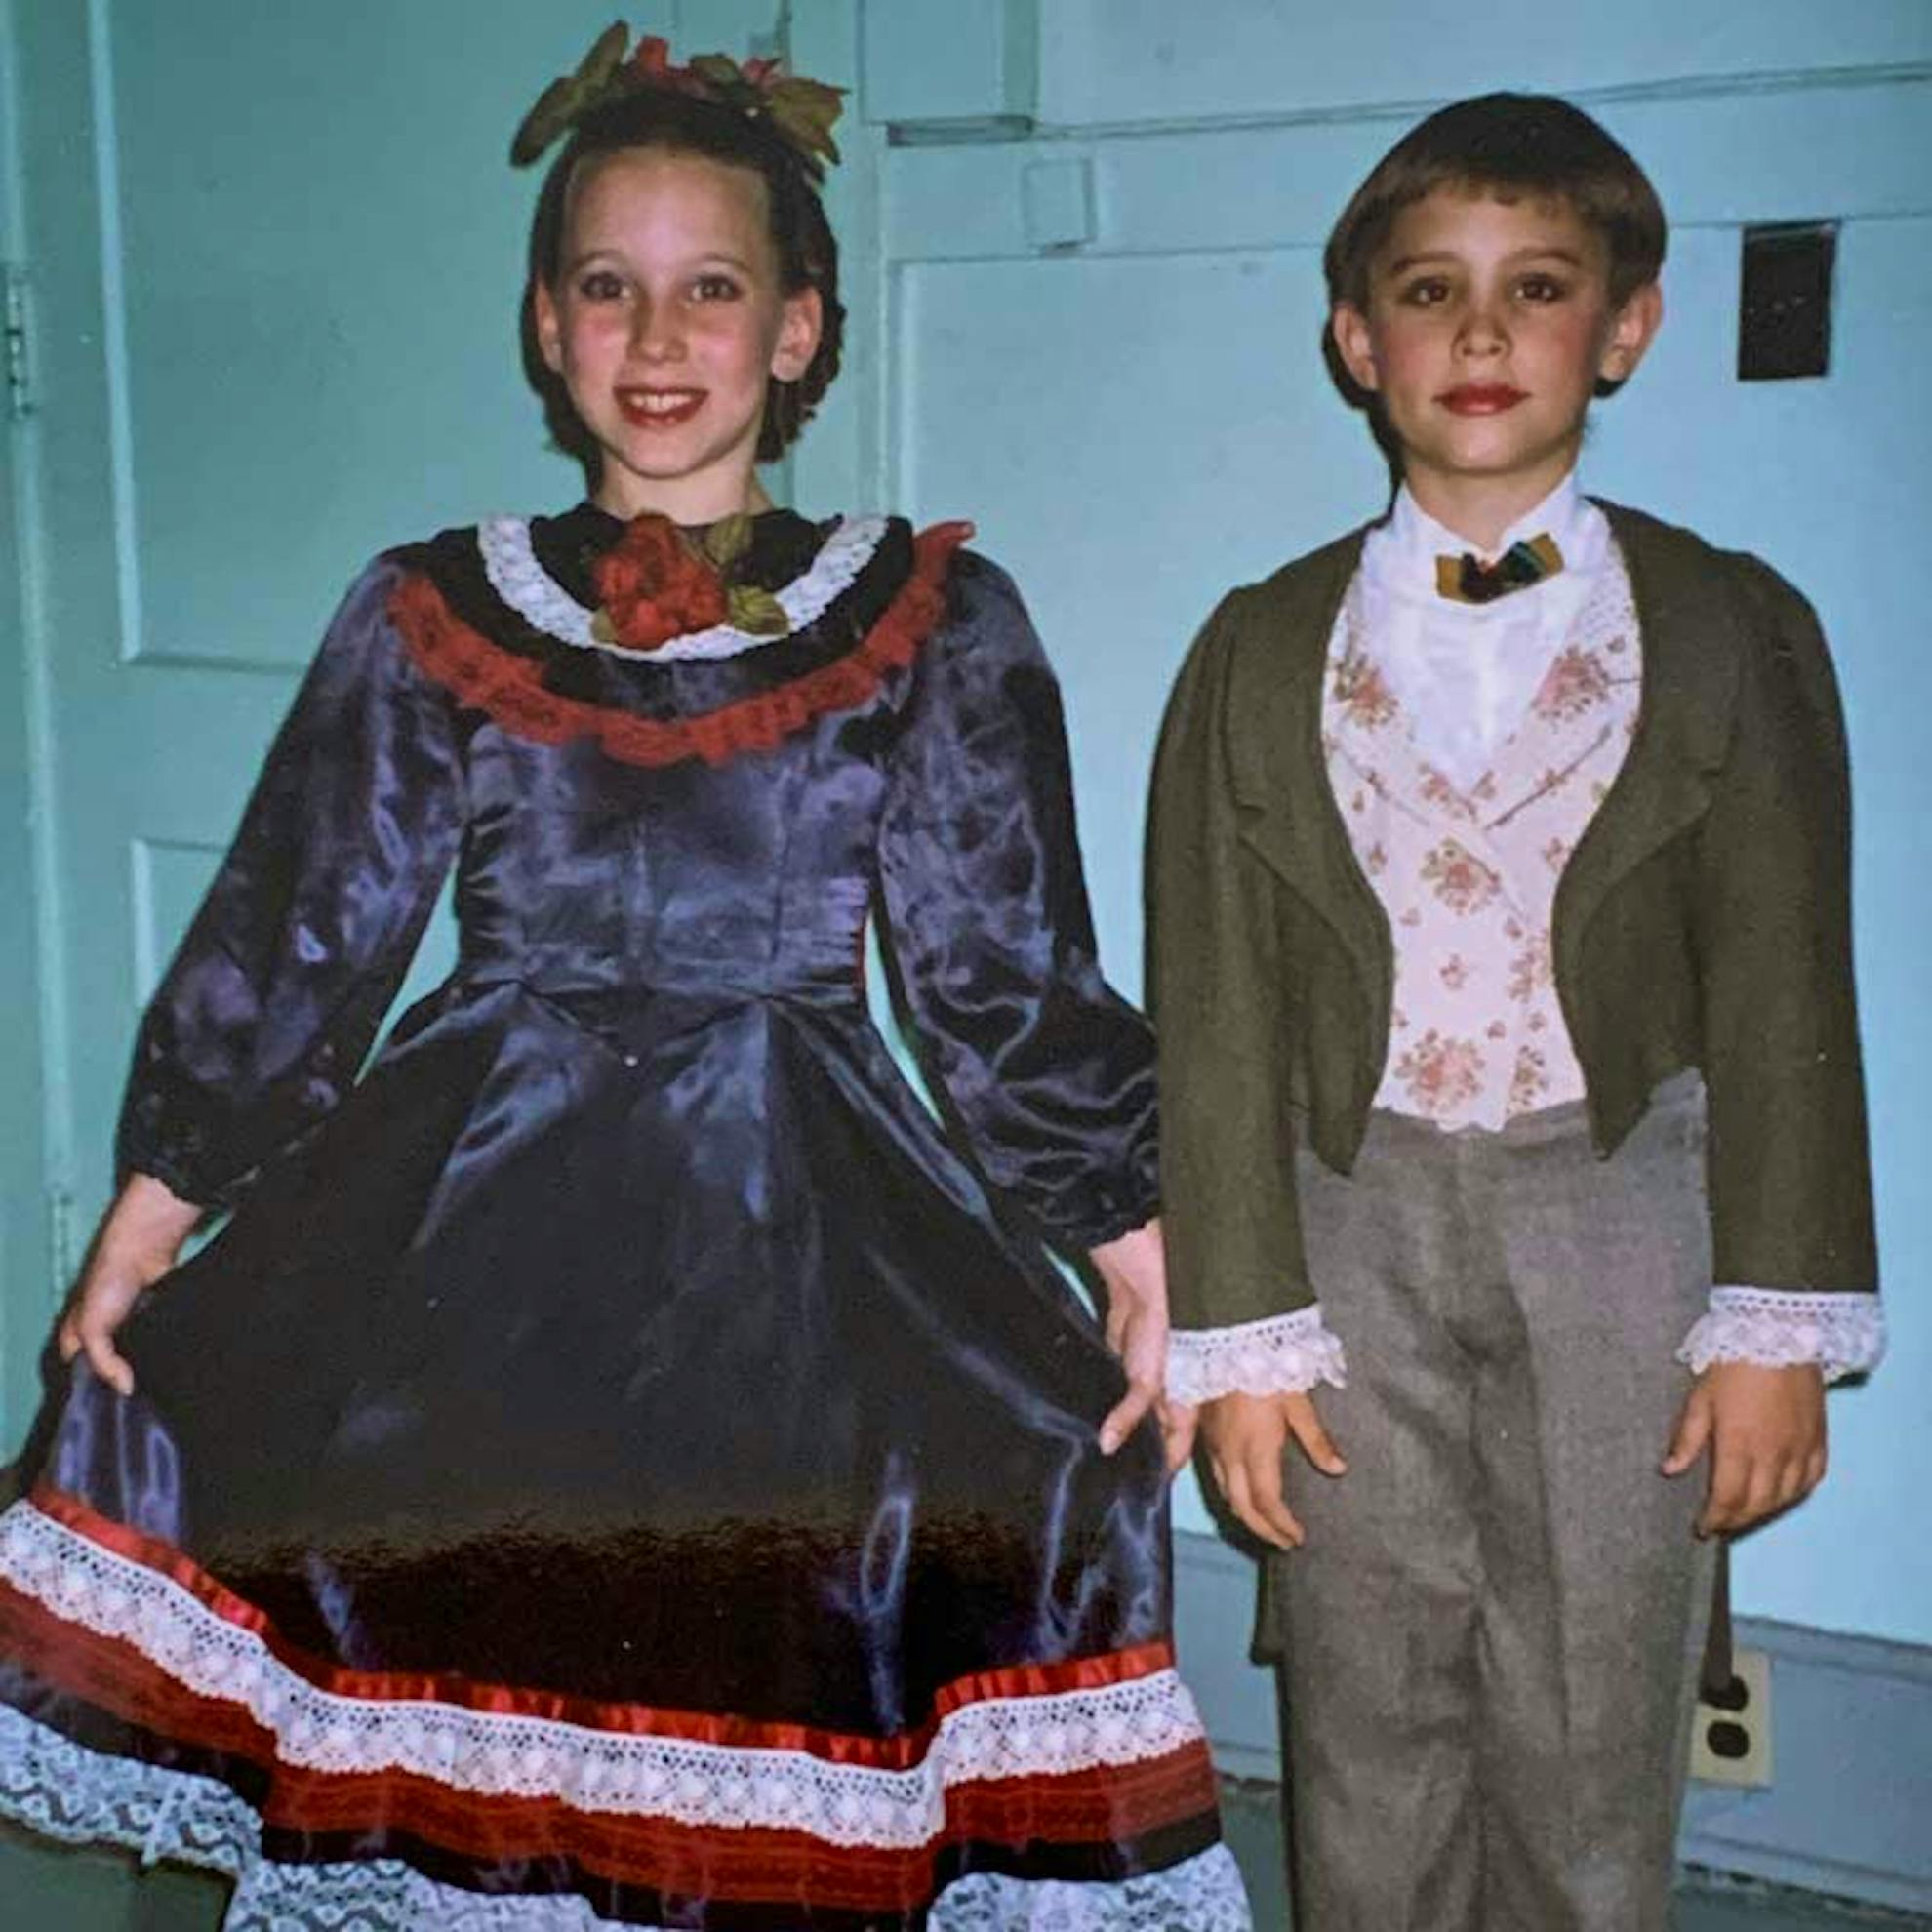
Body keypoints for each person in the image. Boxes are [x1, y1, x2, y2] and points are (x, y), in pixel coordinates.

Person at [0, 29, 1249, 1930]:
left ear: (801, 331)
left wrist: (1134, 1251)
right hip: (484, 1222)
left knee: (772, 1636)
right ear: (544, 325)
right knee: (472, 1624)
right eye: (609, 287)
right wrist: (155, 1212)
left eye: (712, 289)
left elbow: (996, 965)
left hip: (795, 1227)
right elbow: (304, 926)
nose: (657, 338)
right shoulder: (429, 607)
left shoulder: (930, 618)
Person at [1149, 92, 1882, 1932]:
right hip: (1347, 1215)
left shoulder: (1730, 624)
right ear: (1356, 339)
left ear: (1621, 326)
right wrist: (1239, 1337)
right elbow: (1216, 1010)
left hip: (1625, 1208)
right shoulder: (1256, 644)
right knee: (1364, 1695)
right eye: (1428, 290)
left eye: (1536, 288)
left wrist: (1775, 1318)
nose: (1479, 335)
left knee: (1590, 1703)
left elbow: (1794, 983)